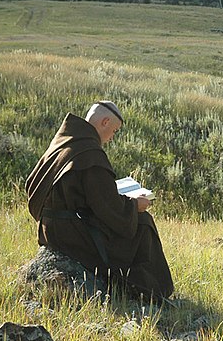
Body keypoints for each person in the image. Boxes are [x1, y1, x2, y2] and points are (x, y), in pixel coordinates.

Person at [25, 101, 173, 300]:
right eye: (114, 131)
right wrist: (134, 205)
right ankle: (147, 292)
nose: (112, 138)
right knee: (143, 223)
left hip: (49, 229)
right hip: (70, 236)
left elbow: (33, 186)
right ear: (104, 122)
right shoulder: (90, 153)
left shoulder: (63, 140)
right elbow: (111, 210)